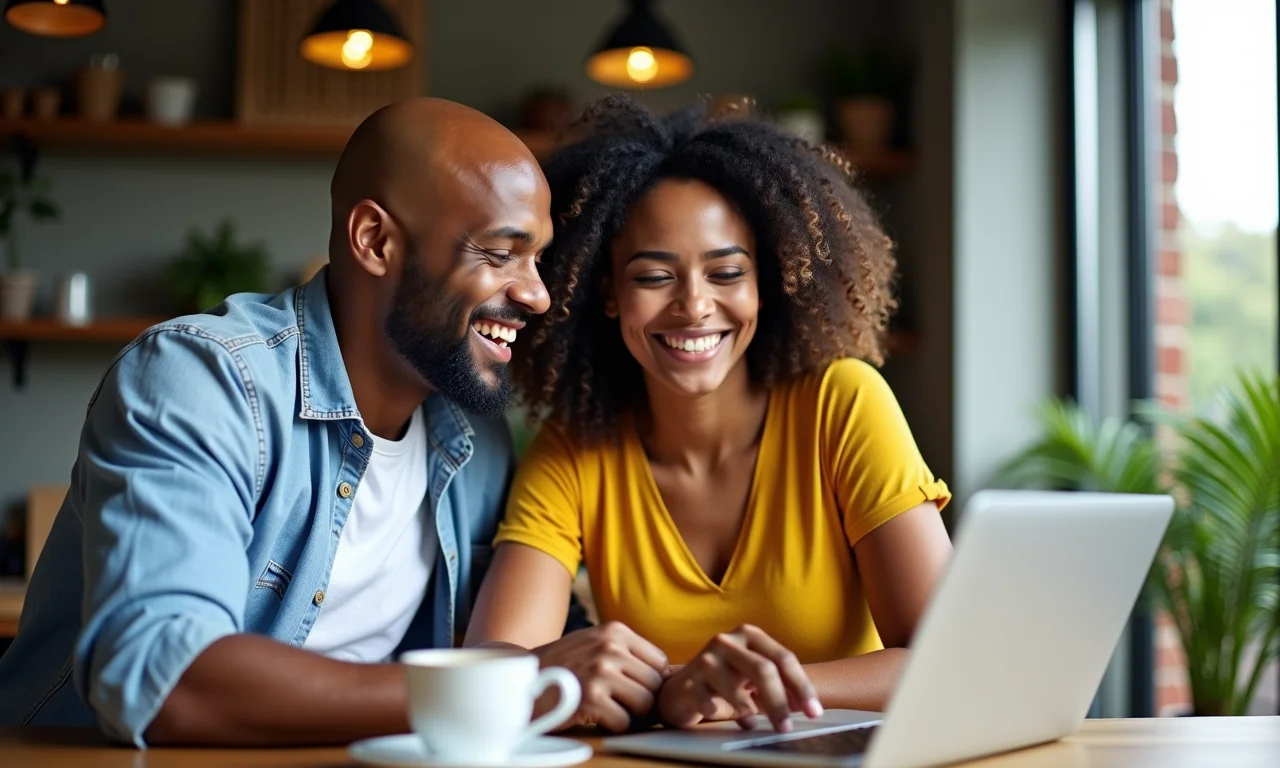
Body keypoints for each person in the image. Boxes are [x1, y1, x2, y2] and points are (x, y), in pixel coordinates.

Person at [0, 98, 555, 747]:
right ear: (375, 241)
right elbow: (163, 674)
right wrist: (484, 691)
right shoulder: (203, 379)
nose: (537, 294)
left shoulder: (477, 438)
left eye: (538, 260)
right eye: (500, 253)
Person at [465, 95, 955, 735]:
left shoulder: (842, 403)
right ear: (608, 293)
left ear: (765, 284)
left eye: (726, 273)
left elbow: (947, 660)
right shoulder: (576, 447)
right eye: (653, 277)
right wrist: (642, 687)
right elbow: (493, 664)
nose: (694, 306)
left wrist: (735, 692)